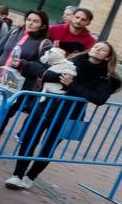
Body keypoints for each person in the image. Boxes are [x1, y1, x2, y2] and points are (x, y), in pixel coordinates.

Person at [7, 41, 119, 190]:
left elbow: (99, 98)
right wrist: (29, 66)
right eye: (96, 46)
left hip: (70, 114)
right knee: (29, 140)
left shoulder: (106, 77)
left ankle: (30, 177)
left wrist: (72, 85)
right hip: (45, 106)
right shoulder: (73, 61)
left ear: (107, 57)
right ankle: (17, 175)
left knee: (48, 147)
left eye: (103, 49)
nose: (97, 49)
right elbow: (48, 73)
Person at [0, 8, 53, 90]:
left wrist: (22, 63)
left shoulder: (45, 43)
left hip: (18, 86)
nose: (30, 23)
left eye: (35, 21)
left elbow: (42, 69)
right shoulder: (13, 32)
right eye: (29, 20)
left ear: (43, 26)